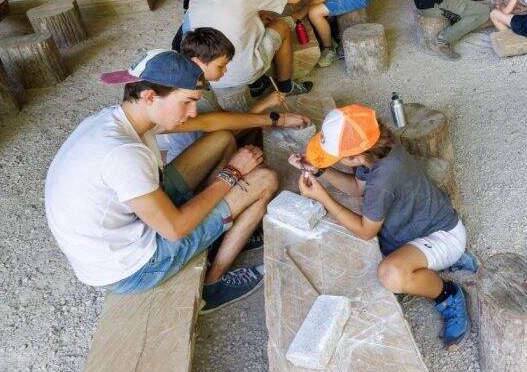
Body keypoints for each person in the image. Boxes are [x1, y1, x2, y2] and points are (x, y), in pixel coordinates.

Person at [45, 50, 280, 312]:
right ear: (149, 96)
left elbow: (211, 123)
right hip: (134, 268)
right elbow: (175, 229)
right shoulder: (123, 155)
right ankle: (212, 285)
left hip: (124, 230)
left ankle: (217, 227)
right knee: (265, 179)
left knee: (222, 139)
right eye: (187, 102)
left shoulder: (119, 117)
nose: (192, 113)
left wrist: (270, 119)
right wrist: (233, 173)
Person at [288, 105, 478, 346]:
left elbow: (366, 231)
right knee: (375, 262)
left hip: (443, 235)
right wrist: (320, 171)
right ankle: (444, 261)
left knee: (390, 276)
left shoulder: (383, 179)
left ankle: (448, 294)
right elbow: (358, 190)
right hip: (417, 228)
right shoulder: (375, 145)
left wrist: (323, 198)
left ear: (356, 156)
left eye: (336, 158)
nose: (334, 161)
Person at [156, 28, 312, 163]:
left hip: (208, 143)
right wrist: (265, 108)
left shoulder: (200, 83)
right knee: (254, 150)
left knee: (256, 130)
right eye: (220, 66)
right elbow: (226, 132)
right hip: (195, 160)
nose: (224, 71)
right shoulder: (193, 99)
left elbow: (222, 119)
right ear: (197, 62)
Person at [185, 0, 312, 95]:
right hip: (238, 71)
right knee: (282, 26)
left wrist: (256, 15)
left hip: (208, 72)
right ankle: (286, 87)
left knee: (248, 30)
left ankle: (257, 83)